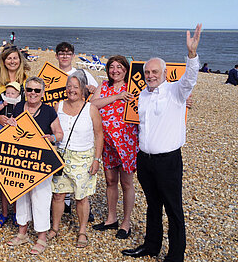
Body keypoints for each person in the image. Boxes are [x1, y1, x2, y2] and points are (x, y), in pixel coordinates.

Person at [122, 24, 202, 261]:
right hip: (145, 160)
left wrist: (191, 54)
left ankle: (176, 255)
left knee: (174, 210)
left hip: (168, 161)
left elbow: (190, 78)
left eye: (155, 72)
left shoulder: (176, 92)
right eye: (147, 72)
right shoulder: (143, 94)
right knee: (152, 206)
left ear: (165, 73)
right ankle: (151, 246)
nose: (150, 75)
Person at [5, 77, 63, 255]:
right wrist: (9, 124)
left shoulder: (48, 111)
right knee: (20, 195)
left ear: (43, 93)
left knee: (41, 198)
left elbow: (59, 133)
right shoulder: (18, 107)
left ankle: (41, 238)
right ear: (25, 91)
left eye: (37, 91)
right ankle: (22, 233)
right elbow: (12, 130)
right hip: (19, 161)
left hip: (41, 162)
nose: (33, 93)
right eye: (29, 89)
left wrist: (52, 138)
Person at [50, 71, 104, 248]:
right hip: (62, 156)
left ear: (83, 90)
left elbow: (99, 134)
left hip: (83, 157)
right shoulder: (58, 106)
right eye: (69, 86)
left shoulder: (91, 109)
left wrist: (97, 159)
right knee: (58, 195)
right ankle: (55, 228)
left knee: (81, 197)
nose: (72, 90)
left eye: (76, 87)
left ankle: (82, 231)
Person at [90, 55, 138, 239]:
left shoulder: (133, 87)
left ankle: (126, 222)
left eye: (119, 67)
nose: (115, 70)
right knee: (110, 181)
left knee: (126, 183)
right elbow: (92, 104)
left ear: (126, 70)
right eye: (112, 67)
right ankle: (111, 218)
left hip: (127, 142)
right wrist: (116, 96)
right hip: (107, 142)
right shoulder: (104, 86)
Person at [0, 45, 30, 228]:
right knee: (3, 174)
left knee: (20, 173)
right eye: (8, 58)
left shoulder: (26, 81)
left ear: (20, 60)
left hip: (21, 134)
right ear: (3, 61)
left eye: (15, 58)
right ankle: (4, 213)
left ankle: (20, 214)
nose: (12, 61)